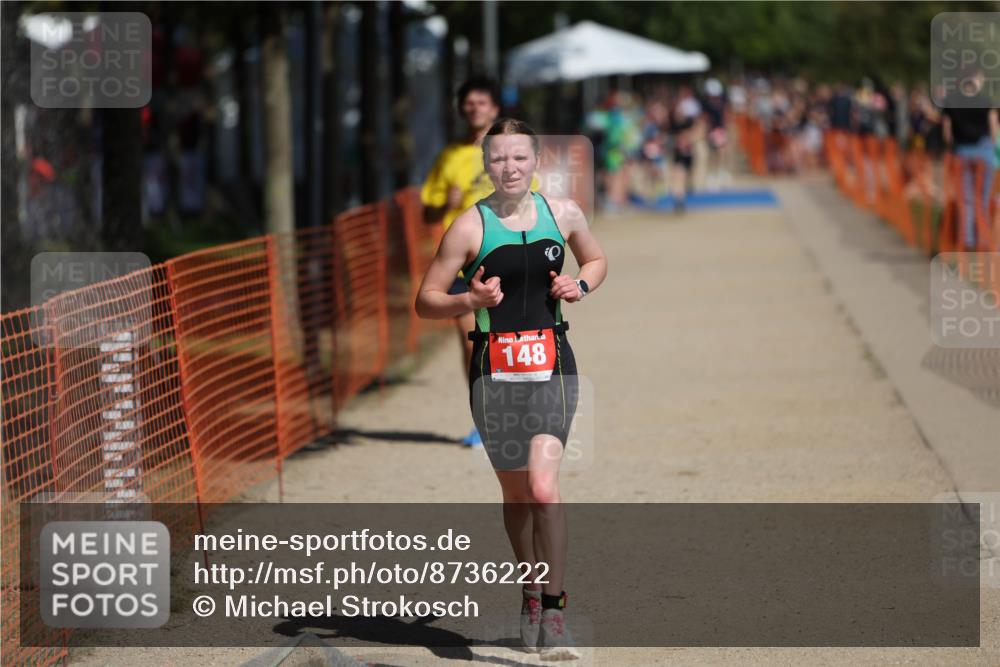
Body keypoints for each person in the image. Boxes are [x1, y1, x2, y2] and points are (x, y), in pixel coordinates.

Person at [415, 118, 608, 659]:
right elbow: (425, 299)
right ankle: (529, 591)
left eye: (520, 158)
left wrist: (581, 283)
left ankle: (555, 610)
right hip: (493, 372)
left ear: (536, 161)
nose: (510, 168)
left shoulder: (562, 213)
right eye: (499, 158)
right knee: (518, 494)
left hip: (552, 365)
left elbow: (596, 258)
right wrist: (468, 302)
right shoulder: (468, 228)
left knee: (545, 489)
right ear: (486, 163)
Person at [421, 76, 502, 446]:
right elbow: (426, 212)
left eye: (481, 102)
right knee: (473, 343)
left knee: (510, 339)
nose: (474, 108)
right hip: (460, 264)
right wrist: (446, 202)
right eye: (468, 103)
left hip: (502, 255)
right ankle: (484, 422)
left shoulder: (509, 153)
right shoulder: (449, 157)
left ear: (495, 108)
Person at [941, 68, 999, 250]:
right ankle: (983, 239)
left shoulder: (950, 102)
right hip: (983, 153)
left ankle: (967, 240)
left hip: (962, 153)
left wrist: (955, 146)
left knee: (965, 199)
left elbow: (947, 133)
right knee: (982, 199)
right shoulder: (986, 101)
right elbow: (993, 130)